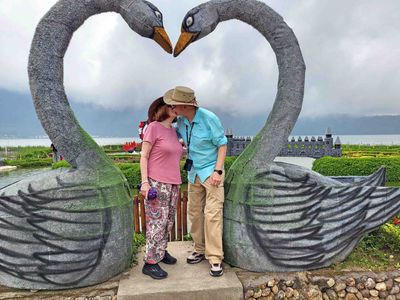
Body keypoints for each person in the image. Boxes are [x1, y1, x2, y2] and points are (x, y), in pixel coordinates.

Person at [163, 86, 227, 277]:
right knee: (194, 213)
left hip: (211, 172)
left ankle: (215, 258)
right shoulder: (181, 122)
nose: (172, 106)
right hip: (193, 173)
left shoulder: (209, 118)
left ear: (184, 105)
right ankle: (199, 248)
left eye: (174, 104)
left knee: (212, 214)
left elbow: (222, 145)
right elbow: (170, 135)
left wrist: (218, 170)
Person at [139, 97, 183, 280]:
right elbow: (144, 156)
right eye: (172, 106)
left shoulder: (173, 131)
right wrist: (145, 182)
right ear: (163, 108)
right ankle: (150, 262)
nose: (176, 109)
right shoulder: (153, 127)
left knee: (167, 221)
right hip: (157, 183)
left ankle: (160, 251)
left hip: (174, 183)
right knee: (156, 222)